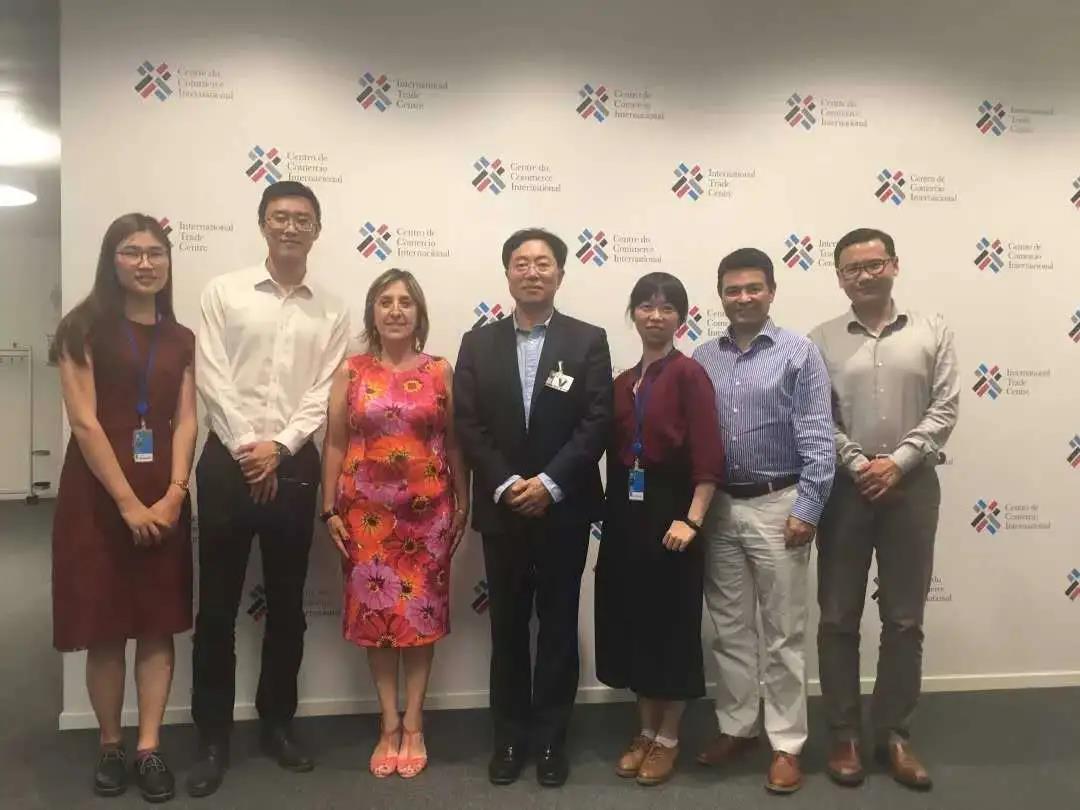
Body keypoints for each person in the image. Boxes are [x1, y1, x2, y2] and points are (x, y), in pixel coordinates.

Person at [186, 181, 350, 798]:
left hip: (295, 463)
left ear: (317, 229)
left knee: (286, 605)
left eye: (302, 219)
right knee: (217, 609)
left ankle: (278, 724)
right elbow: (211, 375)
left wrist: (278, 448)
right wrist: (246, 448)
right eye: (280, 217)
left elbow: (325, 391)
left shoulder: (332, 309)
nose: (290, 227)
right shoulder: (223, 291)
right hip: (227, 462)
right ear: (262, 224)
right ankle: (212, 738)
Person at [453, 227, 613, 787]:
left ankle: (550, 739)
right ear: (507, 274)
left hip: (564, 509)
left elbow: (597, 421)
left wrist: (548, 483)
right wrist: (505, 484)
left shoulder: (587, 340)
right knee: (508, 628)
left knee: (559, 626)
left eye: (543, 263)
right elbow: (468, 423)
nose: (532, 272)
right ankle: (509, 737)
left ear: (560, 274)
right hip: (503, 511)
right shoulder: (478, 343)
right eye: (521, 263)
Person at [50, 213, 196, 803]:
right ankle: (111, 743)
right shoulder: (81, 328)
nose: (145, 263)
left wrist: (175, 493)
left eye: (156, 252)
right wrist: (129, 504)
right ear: (111, 260)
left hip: (163, 491)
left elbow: (187, 420)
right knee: (105, 627)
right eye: (132, 252)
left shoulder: (181, 337)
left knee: (157, 623)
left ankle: (149, 747)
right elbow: (84, 424)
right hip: (97, 495)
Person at [809, 228, 958, 792]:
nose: (864, 275)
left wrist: (897, 462)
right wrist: (858, 464)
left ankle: (893, 733)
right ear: (839, 277)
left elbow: (945, 406)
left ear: (894, 265)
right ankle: (844, 734)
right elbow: (817, 416)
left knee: (904, 619)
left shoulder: (932, 330)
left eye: (874, 264)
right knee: (836, 617)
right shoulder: (820, 340)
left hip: (912, 486)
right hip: (845, 490)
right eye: (852, 268)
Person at [692, 248, 835, 794]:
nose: (744, 297)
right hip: (720, 506)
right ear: (721, 296)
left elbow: (818, 436)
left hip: (780, 502)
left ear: (772, 291)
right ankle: (738, 726)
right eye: (733, 290)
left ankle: (786, 744)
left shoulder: (799, 353)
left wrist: (808, 509)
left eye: (754, 288)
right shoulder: (704, 357)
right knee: (730, 628)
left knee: (783, 632)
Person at [320, 268, 469, 779]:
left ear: (419, 313)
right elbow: (334, 443)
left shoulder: (440, 370)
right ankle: (388, 724)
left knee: (420, 620)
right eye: (386, 301)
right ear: (373, 313)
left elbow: (454, 443)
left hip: (428, 517)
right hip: (365, 518)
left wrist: (464, 501)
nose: (396, 310)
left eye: (406, 301)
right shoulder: (351, 371)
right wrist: (328, 508)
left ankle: (415, 724)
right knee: (378, 620)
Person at [594, 272, 723, 787]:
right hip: (626, 517)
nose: (655, 315)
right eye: (646, 306)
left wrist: (693, 518)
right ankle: (644, 730)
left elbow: (709, 455)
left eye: (667, 307)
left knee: (671, 627)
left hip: (675, 515)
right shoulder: (622, 382)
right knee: (634, 623)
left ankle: (669, 737)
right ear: (633, 313)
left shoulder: (690, 374)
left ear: (681, 318)